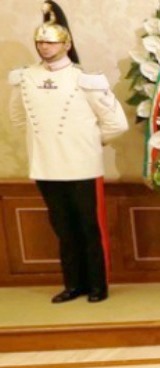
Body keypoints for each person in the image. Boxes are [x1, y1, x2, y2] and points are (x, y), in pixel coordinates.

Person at [8, 1, 128, 303]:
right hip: (46, 166)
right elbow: (18, 117)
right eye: (40, 42)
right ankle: (73, 284)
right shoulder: (25, 78)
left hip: (81, 165)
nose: (44, 47)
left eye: (51, 42)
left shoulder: (84, 80)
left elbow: (116, 123)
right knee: (62, 228)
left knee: (88, 227)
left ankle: (97, 285)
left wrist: (87, 142)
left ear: (66, 44)